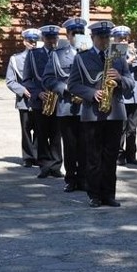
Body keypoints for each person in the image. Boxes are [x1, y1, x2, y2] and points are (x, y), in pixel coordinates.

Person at [67, 21, 133, 208]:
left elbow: (131, 82)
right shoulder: (82, 57)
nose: (105, 40)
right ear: (93, 37)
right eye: (101, 37)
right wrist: (91, 93)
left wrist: (120, 79)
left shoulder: (118, 54)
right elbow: (72, 85)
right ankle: (94, 195)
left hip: (115, 113)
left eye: (107, 37)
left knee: (111, 156)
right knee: (93, 157)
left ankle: (109, 194)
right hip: (92, 113)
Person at [43, 17, 87, 193]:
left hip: (87, 106)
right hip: (67, 105)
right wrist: (64, 88)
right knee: (69, 146)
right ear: (67, 35)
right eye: (73, 33)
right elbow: (47, 78)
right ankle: (71, 179)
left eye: (80, 32)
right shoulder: (57, 54)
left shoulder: (90, 53)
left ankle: (85, 179)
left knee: (87, 145)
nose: (77, 35)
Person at [23, 25, 63, 180]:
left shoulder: (61, 54)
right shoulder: (33, 55)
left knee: (56, 134)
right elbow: (27, 79)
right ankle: (44, 166)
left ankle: (56, 165)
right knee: (41, 134)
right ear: (43, 39)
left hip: (58, 100)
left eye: (54, 38)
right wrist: (37, 93)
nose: (52, 41)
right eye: (49, 38)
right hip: (41, 100)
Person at [6, 28, 40, 168]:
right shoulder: (15, 59)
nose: (33, 44)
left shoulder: (43, 57)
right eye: (30, 41)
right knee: (26, 130)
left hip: (40, 99)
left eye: (35, 41)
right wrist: (22, 90)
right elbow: (10, 80)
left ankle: (38, 155)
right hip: (24, 101)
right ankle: (28, 157)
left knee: (39, 129)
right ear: (24, 41)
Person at [114, 25, 137, 166]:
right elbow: (112, 69)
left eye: (125, 38)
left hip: (135, 94)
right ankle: (119, 155)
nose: (124, 41)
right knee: (121, 128)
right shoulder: (114, 53)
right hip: (122, 96)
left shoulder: (133, 51)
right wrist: (128, 62)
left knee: (133, 128)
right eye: (121, 38)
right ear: (115, 39)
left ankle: (131, 154)